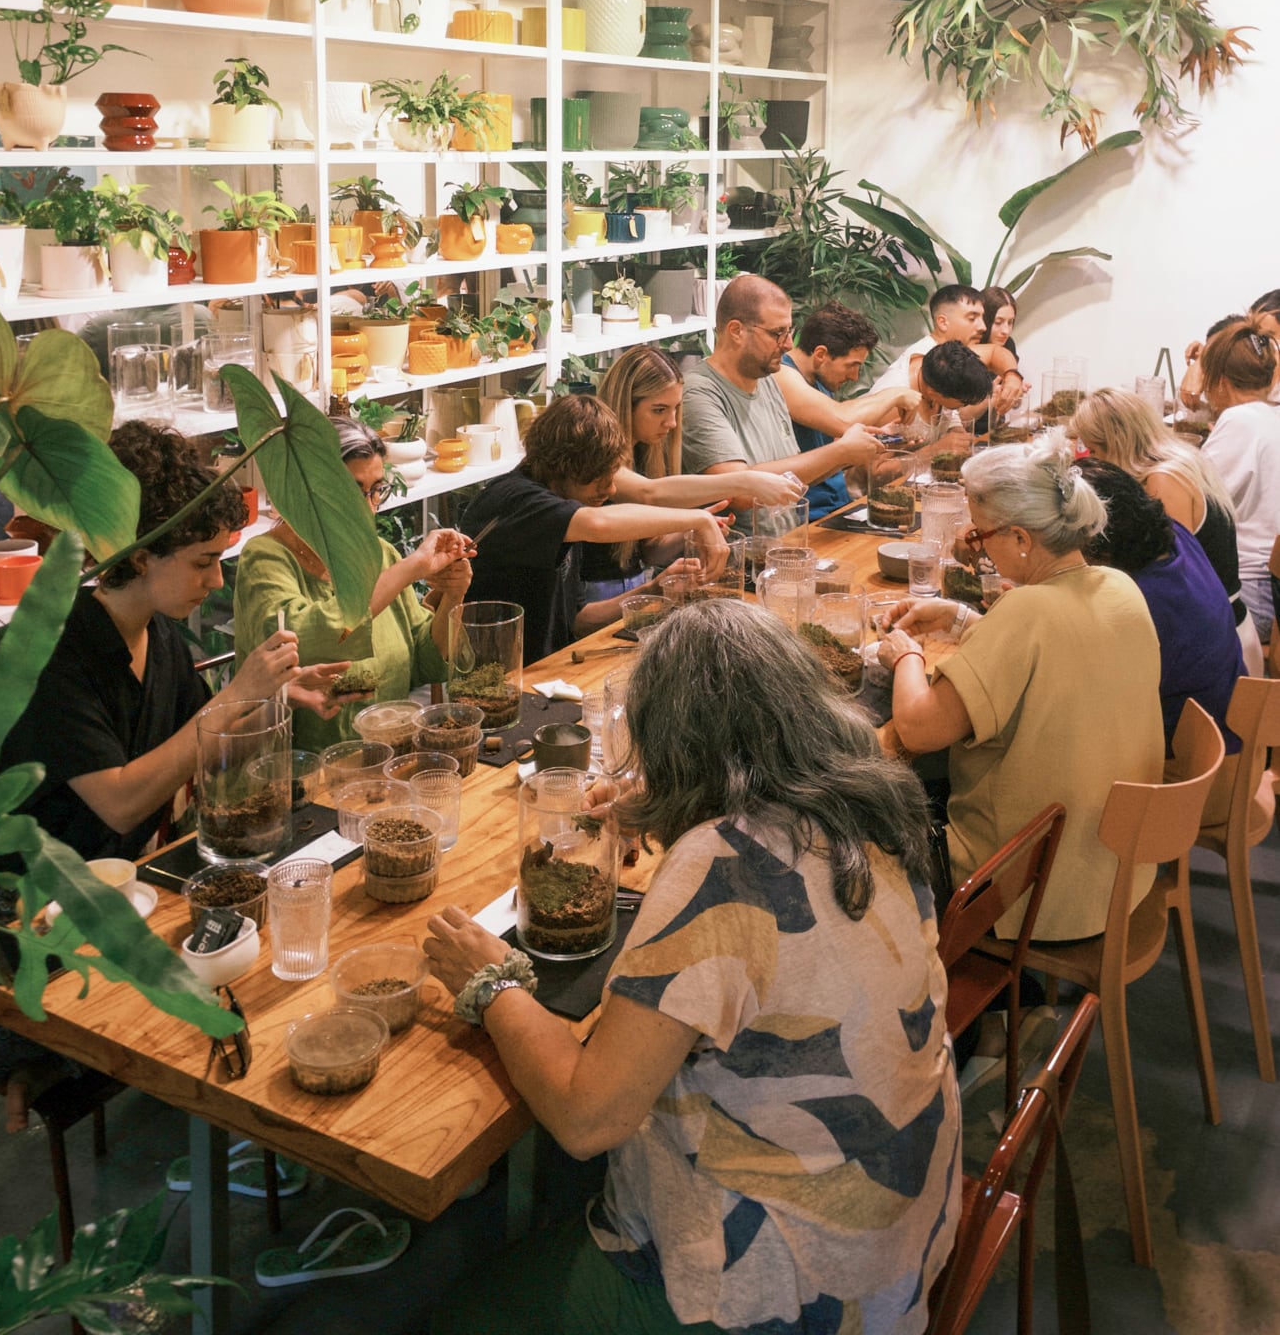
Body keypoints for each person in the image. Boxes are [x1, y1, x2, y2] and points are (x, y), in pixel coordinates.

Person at [423, 600, 960, 1335]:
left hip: (790, 1287)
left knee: (459, 1316)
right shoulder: (871, 796)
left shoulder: (721, 862)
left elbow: (588, 1116)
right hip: (896, 1225)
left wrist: (490, 984)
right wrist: (672, 803)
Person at [0, 422, 346, 1121]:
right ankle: (39, 1066)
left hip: (106, 890)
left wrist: (277, 697)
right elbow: (125, 802)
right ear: (134, 557)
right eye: (201, 562)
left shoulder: (157, 638)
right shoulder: (48, 650)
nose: (215, 581)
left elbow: (199, 749)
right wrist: (238, 696)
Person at [879, 434, 1163, 939]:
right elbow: (1051, 656)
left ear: (1020, 538)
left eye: (979, 537)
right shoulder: (1120, 587)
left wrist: (906, 654)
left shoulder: (1028, 610)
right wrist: (963, 620)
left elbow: (919, 728)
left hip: (1020, 887)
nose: (978, 549)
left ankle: (958, 998)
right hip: (1112, 868)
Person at [233, 417, 473, 749]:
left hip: (385, 756)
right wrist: (412, 568)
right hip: (297, 775)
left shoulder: (379, 554)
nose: (369, 509)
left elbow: (426, 661)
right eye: (353, 492)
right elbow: (315, 637)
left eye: (376, 490)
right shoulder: (266, 558)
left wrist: (452, 595)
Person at [460, 396, 729, 663]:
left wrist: (655, 588)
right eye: (599, 478)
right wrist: (697, 519)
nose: (610, 490)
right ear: (564, 466)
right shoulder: (516, 499)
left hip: (547, 673)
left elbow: (579, 621)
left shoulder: (563, 506)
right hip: (493, 680)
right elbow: (597, 523)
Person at [582, 347, 803, 623]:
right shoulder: (595, 450)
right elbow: (648, 493)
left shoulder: (648, 450)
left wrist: (687, 531)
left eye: (676, 409)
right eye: (659, 410)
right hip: (592, 597)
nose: (672, 422)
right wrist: (744, 481)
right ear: (626, 404)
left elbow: (649, 550)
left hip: (635, 587)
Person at [1081, 460, 1243, 759]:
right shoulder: (1176, 534)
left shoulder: (1134, 599)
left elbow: (1088, 694)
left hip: (1175, 765)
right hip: (1226, 734)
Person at [679, 277, 885, 511]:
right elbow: (737, 492)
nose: (788, 344)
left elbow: (793, 480)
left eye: (789, 331)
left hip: (790, 541)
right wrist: (840, 451)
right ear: (736, 331)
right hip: (741, 545)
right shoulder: (699, 392)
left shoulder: (768, 380)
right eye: (777, 333)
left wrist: (849, 452)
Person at [1070, 385, 1245, 619]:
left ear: (1117, 443)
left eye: (1092, 450)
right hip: (1200, 614)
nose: (1090, 460)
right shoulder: (1170, 458)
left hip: (1215, 625)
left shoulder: (1163, 481)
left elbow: (1169, 575)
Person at [775, 301, 917, 518]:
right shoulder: (782, 374)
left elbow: (832, 453)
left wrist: (877, 439)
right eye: (852, 365)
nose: (854, 377)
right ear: (821, 354)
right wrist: (895, 393)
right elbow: (842, 419)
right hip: (808, 513)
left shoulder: (822, 379)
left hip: (839, 506)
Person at [1199, 316, 1280, 641]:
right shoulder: (1269, 418)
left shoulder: (1240, 421)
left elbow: (1198, 501)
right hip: (1267, 588)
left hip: (1248, 594)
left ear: (1219, 381)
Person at [868, 283, 1023, 406]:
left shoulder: (954, 353)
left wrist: (1012, 375)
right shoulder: (924, 361)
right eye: (972, 318)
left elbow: (996, 352)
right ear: (942, 322)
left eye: (982, 318)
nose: (982, 327)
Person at [981, 285, 1018, 358]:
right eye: (998, 322)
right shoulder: (967, 352)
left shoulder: (1008, 345)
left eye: (1010, 322)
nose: (1006, 331)